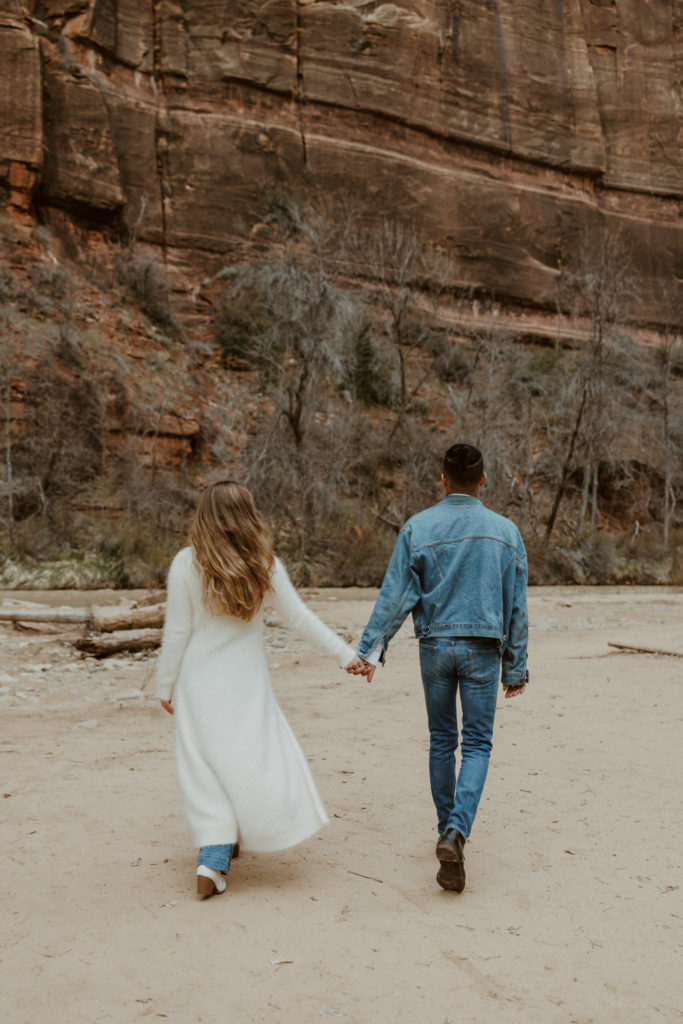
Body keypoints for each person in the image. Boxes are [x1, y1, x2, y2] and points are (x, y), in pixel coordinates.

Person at [156, 480, 364, 898]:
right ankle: (236, 839)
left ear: (205, 516)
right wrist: (347, 655)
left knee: (204, 766)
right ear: (248, 517)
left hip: (198, 680)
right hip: (246, 682)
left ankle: (213, 860)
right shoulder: (263, 563)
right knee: (249, 757)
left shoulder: (185, 563)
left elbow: (176, 632)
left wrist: (166, 683)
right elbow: (300, 620)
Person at [349, 444, 528, 892]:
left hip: (434, 648)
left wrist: (372, 649)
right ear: (483, 480)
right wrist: (516, 667)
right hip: (484, 650)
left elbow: (397, 595)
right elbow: (517, 608)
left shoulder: (418, 527)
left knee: (442, 742)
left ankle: (444, 831)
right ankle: (456, 832)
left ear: (443, 480)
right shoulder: (506, 533)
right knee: (478, 744)